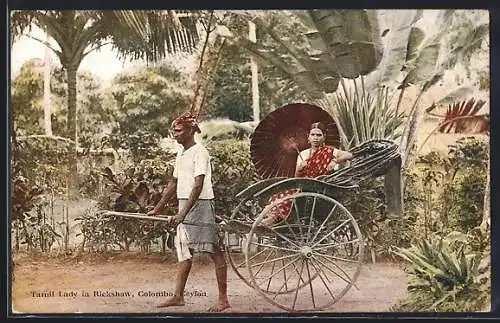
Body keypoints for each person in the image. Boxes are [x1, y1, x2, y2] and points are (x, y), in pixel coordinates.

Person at [147, 112, 230, 312]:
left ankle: (223, 299)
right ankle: (178, 296)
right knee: (184, 250)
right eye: (173, 131)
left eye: (178, 130)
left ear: (191, 130)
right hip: (184, 202)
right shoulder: (182, 153)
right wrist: (157, 209)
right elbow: (173, 183)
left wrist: (183, 214)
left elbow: (198, 185)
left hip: (200, 203)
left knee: (213, 249)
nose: (174, 134)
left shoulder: (200, 152)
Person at [261, 122, 353, 225]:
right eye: (313, 135)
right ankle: (274, 217)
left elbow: (349, 155)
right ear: (308, 137)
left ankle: (275, 219)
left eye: (319, 135)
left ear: (324, 137)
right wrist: (299, 169)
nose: (315, 138)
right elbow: (297, 178)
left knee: (292, 197)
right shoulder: (303, 154)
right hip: (303, 185)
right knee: (280, 192)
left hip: (320, 187)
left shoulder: (330, 151)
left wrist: (335, 161)